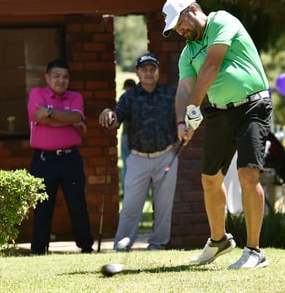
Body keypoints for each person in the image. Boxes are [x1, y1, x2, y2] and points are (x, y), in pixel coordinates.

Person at [162, 0, 272, 269]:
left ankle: (255, 251)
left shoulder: (222, 20)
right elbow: (184, 90)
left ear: (194, 10)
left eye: (180, 23)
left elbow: (212, 65)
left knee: (248, 175)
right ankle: (219, 240)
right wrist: (181, 121)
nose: (180, 30)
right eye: (175, 28)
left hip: (252, 106)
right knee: (210, 179)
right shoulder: (188, 52)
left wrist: (194, 108)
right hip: (220, 110)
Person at [99, 52, 178, 251]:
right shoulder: (129, 97)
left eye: (153, 69)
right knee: (131, 205)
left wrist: (178, 139)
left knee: (163, 205)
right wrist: (109, 115)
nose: (149, 73)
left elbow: (183, 117)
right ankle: (123, 242)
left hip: (166, 156)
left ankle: (158, 244)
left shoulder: (170, 94)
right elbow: (117, 119)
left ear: (158, 71)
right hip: (137, 158)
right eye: (145, 70)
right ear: (137, 72)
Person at [27, 59, 94, 255]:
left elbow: (77, 117)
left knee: (77, 204)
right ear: (47, 77)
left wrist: (49, 114)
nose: (60, 80)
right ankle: (38, 251)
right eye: (56, 76)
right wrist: (67, 119)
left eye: (65, 77)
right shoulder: (36, 94)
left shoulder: (75, 96)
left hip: (70, 159)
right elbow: (38, 118)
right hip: (43, 160)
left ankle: (86, 247)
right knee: (42, 206)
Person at [120, 78, 136, 195]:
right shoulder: (137, 99)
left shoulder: (125, 99)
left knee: (127, 165)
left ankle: (128, 191)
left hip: (129, 136)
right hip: (129, 136)